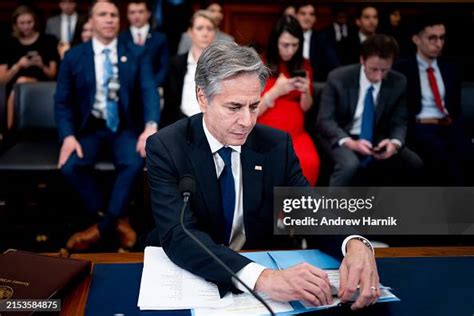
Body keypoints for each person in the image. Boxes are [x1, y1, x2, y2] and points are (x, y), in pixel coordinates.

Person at [146, 41, 380, 310]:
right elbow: (179, 233)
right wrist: (264, 279)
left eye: (254, 106)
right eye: (234, 107)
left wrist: (354, 242)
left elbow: (308, 209)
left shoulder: (276, 145)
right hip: (196, 277)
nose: (247, 121)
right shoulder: (166, 146)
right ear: (202, 98)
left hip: (268, 269)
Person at [54, 0, 160, 251]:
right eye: (103, 14)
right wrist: (68, 136)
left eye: (114, 14)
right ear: (91, 20)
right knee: (70, 167)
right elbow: (62, 102)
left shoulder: (135, 52)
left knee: (134, 162)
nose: (110, 19)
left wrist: (150, 126)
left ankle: (101, 228)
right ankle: (114, 218)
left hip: (123, 126)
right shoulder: (74, 56)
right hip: (88, 127)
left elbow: (149, 91)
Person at [317, 34, 423, 186]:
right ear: (362, 60)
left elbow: (399, 121)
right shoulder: (338, 77)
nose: (379, 76)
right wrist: (351, 143)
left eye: (384, 70)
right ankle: (331, 208)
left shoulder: (399, 81)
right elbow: (324, 120)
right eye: (374, 69)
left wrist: (394, 143)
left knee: (414, 162)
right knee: (349, 165)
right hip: (342, 133)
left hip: (376, 136)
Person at [393, 16, 473, 186]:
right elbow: (398, 110)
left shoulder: (450, 67)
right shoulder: (402, 69)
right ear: (416, 39)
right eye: (432, 38)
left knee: (466, 152)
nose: (439, 43)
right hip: (420, 126)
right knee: (443, 160)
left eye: (442, 38)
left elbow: (455, 108)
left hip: (448, 124)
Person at [258, 15, 320, 186]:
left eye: (295, 45)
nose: (290, 50)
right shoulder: (260, 63)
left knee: (310, 162)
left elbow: (306, 107)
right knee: (273, 165)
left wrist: (306, 90)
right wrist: (276, 91)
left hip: (296, 133)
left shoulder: (303, 64)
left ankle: (296, 210)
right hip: (266, 130)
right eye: (285, 45)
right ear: (275, 42)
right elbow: (251, 110)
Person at [0, 5, 59, 130]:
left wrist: (41, 65)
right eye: (22, 23)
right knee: (19, 84)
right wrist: (18, 66)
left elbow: (52, 74)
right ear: (16, 24)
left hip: (42, 86)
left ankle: (10, 131)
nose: (26, 26)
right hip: (13, 89)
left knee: (21, 83)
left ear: (35, 22)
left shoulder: (48, 40)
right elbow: (2, 79)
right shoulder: (8, 43)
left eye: (29, 22)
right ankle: (11, 130)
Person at [160, 10, 216, 127]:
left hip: (212, 125)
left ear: (214, 33)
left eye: (209, 29)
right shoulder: (175, 64)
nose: (205, 33)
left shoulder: (221, 65)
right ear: (190, 32)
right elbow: (169, 104)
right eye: (200, 28)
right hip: (180, 124)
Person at [119, 0, 169, 87]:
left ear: (149, 14)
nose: (136, 16)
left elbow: (164, 67)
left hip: (153, 88)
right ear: (127, 15)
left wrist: (152, 86)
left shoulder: (160, 38)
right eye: (132, 12)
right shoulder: (121, 38)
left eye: (141, 12)